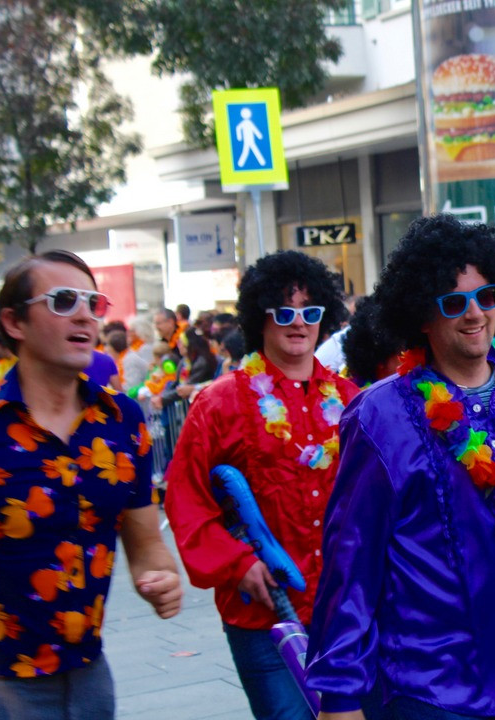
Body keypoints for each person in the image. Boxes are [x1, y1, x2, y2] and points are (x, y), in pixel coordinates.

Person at [306, 214, 495, 719]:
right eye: (453, 302)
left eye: (484, 297)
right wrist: (339, 697)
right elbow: (351, 560)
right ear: (422, 315)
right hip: (438, 689)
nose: (473, 314)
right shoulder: (380, 415)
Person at [164, 251, 358, 720]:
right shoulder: (218, 402)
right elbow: (185, 499)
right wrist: (236, 563)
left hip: (346, 610)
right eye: (283, 312)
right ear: (260, 316)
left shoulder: (352, 401)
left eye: (310, 313)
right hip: (264, 618)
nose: (299, 324)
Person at [0, 250, 182, 718]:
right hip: (0, 685)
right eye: (61, 301)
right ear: (14, 322)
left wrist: (161, 577)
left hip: (90, 677)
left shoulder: (122, 420)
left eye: (91, 302)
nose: (83, 315)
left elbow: (144, 544)